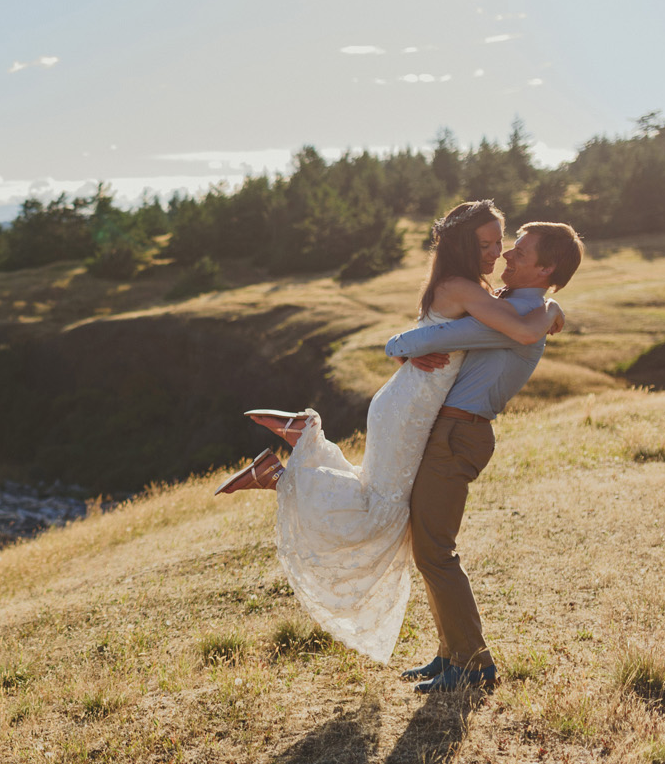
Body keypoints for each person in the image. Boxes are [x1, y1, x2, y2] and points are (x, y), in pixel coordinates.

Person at [211, 202, 581, 687]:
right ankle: (452, 656)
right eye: (499, 244)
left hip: (456, 433)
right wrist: (549, 308)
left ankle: (472, 665)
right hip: (441, 427)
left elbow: (437, 336)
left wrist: (406, 344)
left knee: (434, 551)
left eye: (520, 248)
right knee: (424, 545)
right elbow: (439, 336)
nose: (508, 252)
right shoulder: (516, 304)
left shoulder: (519, 312)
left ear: (546, 267)